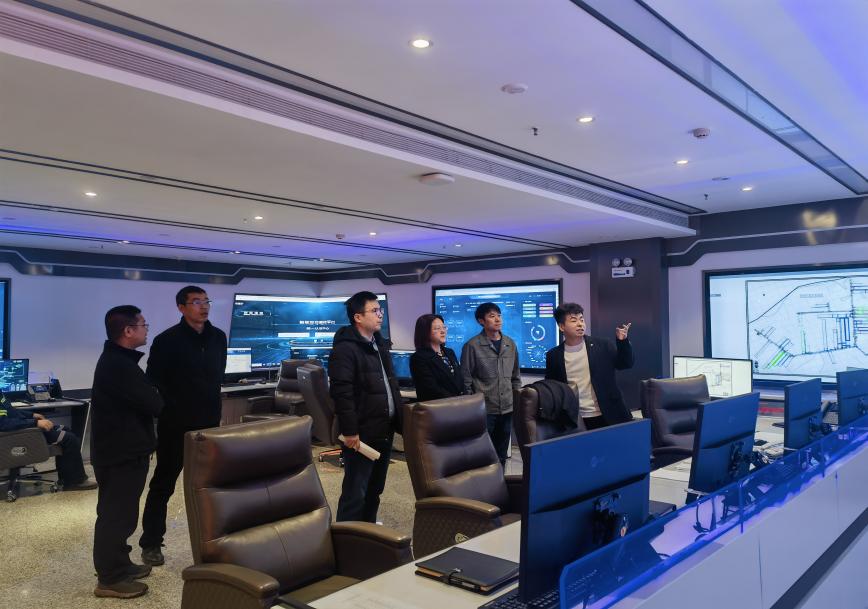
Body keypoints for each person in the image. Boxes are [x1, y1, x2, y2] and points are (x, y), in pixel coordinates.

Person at [139, 286, 227, 566]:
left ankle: (216, 539)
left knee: (211, 486)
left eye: (206, 301)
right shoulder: (167, 340)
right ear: (181, 307)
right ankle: (151, 542)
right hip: (175, 426)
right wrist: (171, 409)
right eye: (196, 302)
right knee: (163, 484)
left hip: (209, 426)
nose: (204, 306)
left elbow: (218, 376)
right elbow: (154, 382)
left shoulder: (218, 337)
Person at [91, 305, 164, 599]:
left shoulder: (119, 360)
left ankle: (120, 564)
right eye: (144, 325)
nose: (147, 330)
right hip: (120, 453)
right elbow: (154, 404)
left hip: (123, 451)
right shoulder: (119, 365)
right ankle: (110, 579)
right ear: (128, 331)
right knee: (116, 516)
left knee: (123, 513)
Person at [329, 291, 401, 523]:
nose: (380, 315)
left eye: (381, 310)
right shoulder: (345, 349)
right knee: (355, 492)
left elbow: (390, 385)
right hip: (361, 433)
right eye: (375, 310)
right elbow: (342, 394)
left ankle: (367, 534)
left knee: (375, 489)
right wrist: (350, 431)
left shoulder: (379, 344)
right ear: (358, 317)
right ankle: (346, 536)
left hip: (384, 428)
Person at [545, 302, 634, 430]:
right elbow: (552, 387)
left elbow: (626, 364)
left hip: (609, 414)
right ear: (561, 326)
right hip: (576, 418)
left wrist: (622, 342)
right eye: (574, 320)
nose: (580, 324)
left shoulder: (602, 345)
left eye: (581, 319)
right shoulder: (554, 355)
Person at [461, 302, 521, 466]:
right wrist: (471, 406)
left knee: (501, 454)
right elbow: (466, 379)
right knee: (482, 453)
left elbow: (515, 376)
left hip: (507, 408)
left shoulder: (510, 344)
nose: (497, 319)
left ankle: (500, 481)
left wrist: (516, 401)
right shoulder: (472, 346)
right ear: (481, 321)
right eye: (492, 316)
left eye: (499, 316)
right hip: (484, 409)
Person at [0, 395, 96, 492]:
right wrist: (35, 423)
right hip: (15, 435)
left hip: (19, 430)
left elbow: (11, 412)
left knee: (65, 429)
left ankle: (66, 479)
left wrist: (31, 415)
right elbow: (3, 423)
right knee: (69, 439)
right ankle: (74, 482)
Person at [409, 314, 463, 402]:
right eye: (437, 328)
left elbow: (460, 379)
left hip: (460, 404)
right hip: (439, 406)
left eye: (444, 327)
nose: (443, 331)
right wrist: (455, 401)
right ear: (425, 332)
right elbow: (431, 389)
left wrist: (464, 399)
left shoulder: (449, 352)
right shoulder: (418, 358)